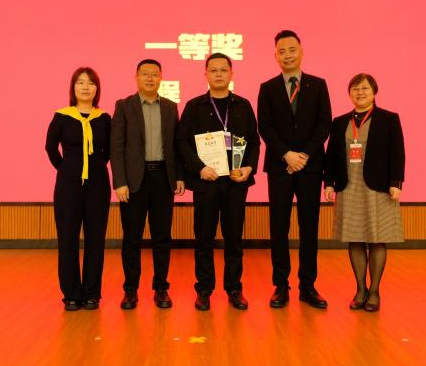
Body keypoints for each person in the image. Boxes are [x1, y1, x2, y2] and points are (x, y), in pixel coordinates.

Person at [178, 53, 260, 311]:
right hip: (206, 183)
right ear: (205, 74)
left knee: (234, 238)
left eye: (223, 70)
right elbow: (182, 143)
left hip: (236, 183)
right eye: (213, 70)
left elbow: (254, 142)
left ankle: (234, 289)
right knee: (204, 238)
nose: (218, 74)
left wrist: (248, 168)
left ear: (231, 73)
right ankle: (204, 289)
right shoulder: (194, 106)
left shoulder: (243, 105)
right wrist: (199, 168)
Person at [257, 30, 332, 309]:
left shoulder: (318, 85)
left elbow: (324, 124)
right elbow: (265, 127)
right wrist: (286, 154)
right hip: (280, 167)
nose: (287, 55)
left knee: (309, 227)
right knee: (279, 227)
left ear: (301, 51)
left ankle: (308, 285)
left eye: (292, 50)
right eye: (282, 51)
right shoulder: (268, 88)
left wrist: (304, 155)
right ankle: (281, 285)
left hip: (310, 167)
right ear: (275, 55)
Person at [323, 73, 405, 312]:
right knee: (355, 237)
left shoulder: (389, 119)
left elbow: (398, 152)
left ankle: (375, 291)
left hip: (379, 188)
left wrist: (396, 183)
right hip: (349, 186)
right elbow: (331, 156)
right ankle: (360, 289)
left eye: (365, 88)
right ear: (349, 93)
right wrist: (328, 183)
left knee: (377, 238)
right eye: (355, 89)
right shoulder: (339, 122)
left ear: (374, 92)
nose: (360, 93)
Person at [111, 59, 185, 310]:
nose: (150, 78)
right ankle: (130, 290)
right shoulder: (124, 106)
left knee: (162, 237)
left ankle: (161, 288)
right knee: (132, 238)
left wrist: (179, 176)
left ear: (161, 78)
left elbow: (176, 145)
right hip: (134, 181)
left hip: (163, 178)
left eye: (154, 74)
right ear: (136, 77)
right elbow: (116, 147)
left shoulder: (170, 107)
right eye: (145, 74)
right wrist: (119, 181)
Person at [45, 67, 111, 311]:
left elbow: (109, 151)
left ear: (97, 89)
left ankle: (92, 293)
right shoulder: (62, 116)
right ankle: (71, 294)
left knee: (96, 240)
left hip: (98, 185)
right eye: (80, 82)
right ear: (73, 88)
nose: (85, 87)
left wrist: (94, 168)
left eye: (91, 83)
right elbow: (50, 148)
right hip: (68, 186)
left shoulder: (104, 118)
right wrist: (66, 169)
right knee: (68, 239)